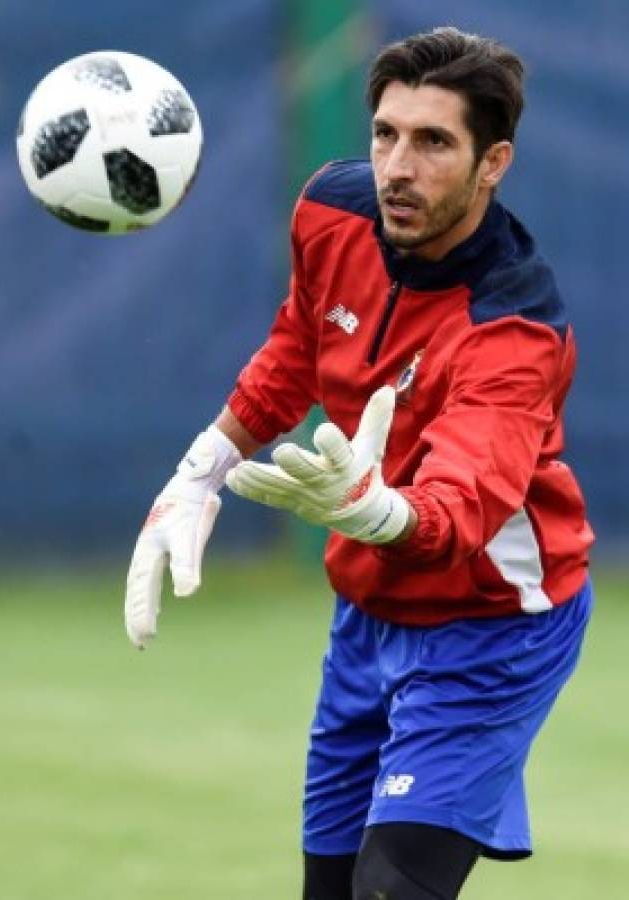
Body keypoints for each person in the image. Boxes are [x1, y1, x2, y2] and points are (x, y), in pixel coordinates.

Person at [124, 26, 594, 900]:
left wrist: (380, 513)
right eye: (385, 134)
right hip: (366, 617)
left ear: (494, 162)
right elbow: (300, 342)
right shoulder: (331, 210)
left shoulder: (514, 330)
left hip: (493, 628)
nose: (397, 168)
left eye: (433, 143)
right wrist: (205, 464)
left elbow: (460, 512)